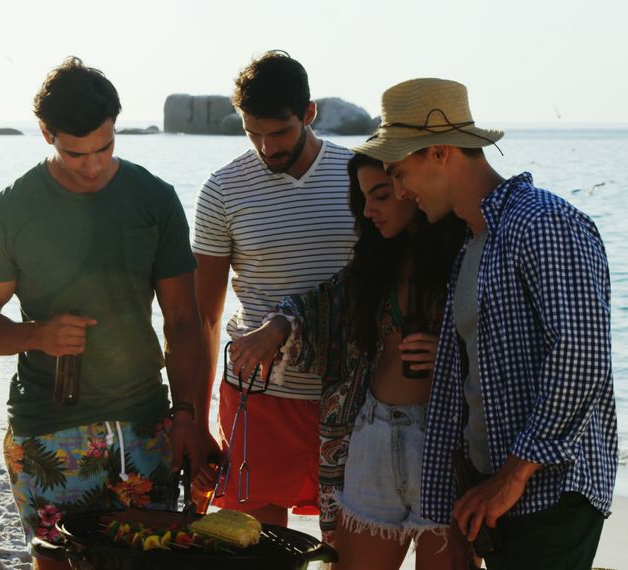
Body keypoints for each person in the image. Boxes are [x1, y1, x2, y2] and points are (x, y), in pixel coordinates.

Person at [353, 78, 617, 570]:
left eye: (400, 173)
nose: (403, 192)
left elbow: (581, 355)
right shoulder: (477, 239)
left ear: (438, 152)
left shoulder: (542, 222)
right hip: (500, 495)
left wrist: (512, 476)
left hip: (549, 495)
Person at [0, 57, 214, 570]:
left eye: (105, 147)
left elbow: (185, 323)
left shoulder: (155, 199)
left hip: (147, 425)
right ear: (46, 133)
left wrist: (189, 416)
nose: (94, 165)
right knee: (60, 565)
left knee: (151, 562)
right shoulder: (10, 210)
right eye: (77, 153)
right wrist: (37, 334)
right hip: (49, 429)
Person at [232, 152, 470, 567]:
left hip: (447, 442)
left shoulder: (468, 256)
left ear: (409, 188)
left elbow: (510, 347)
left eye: (380, 195)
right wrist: (276, 328)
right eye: (362, 198)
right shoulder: (373, 265)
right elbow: (314, 305)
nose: (368, 210)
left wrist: (452, 356)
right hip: (372, 436)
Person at [192, 50, 355, 526]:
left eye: (278, 132)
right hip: (257, 399)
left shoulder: (362, 177)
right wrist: (199, 418)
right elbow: (205, 317)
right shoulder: (222, 189)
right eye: (252, 132)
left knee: (345, 544)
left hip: (348, 394)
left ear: (309, 114)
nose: (266, 147)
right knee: (257, 549)